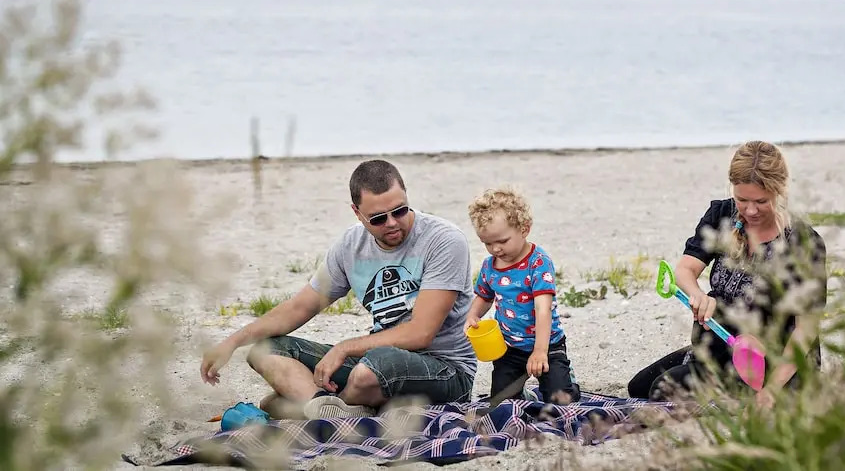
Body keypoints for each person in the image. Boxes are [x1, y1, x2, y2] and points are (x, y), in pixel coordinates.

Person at [200, 159, 478, 418]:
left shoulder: (443, 240)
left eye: (400, 210)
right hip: (376, 362)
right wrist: (232, 342)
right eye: (378, 218)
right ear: (357, 213)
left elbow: (421, 333)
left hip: (445, 370)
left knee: (370, 370)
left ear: (407, 198)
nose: (392, 223)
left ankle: (316, 406)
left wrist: (345, 347)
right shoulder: (350, 246)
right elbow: (299, 307)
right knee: (266, 350)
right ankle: (327, 409)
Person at [627, 140, 827, 409]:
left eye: (761, 201)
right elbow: (685, 270)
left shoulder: (803, 242)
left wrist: (770, 390)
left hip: (777, 360)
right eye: (742, 200)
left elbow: (806, 328)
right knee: (638, 387)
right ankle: (708, 368)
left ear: (779, 192)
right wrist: (697, 294)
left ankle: (734, 389)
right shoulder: (721, 215)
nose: (751, 211)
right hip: (725, 344)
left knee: (661, 390)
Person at [464, 186, 581, 405]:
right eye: (488, 243)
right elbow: (484, 295)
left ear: (524, 229)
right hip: (509, 347)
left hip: (547, 344)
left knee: (561, 401)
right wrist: (473, 315)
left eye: (502, 241)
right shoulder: (490, 266)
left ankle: (568, 382)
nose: (495, 249)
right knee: (501, 404)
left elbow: (542, 309)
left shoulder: (538, 263)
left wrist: (540, 351)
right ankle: (521, 394)